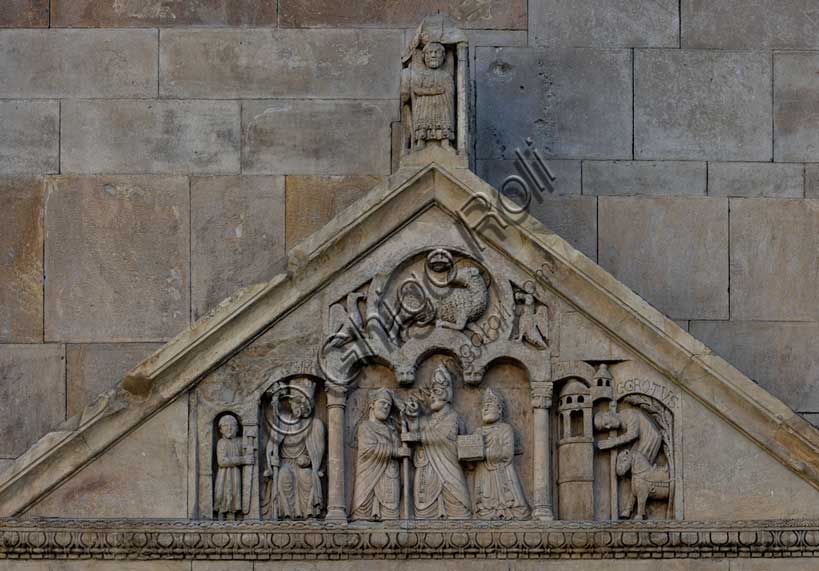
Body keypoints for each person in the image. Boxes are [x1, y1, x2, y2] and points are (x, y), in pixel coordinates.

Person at [408, 364, 471, 519]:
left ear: (447, 393)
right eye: (430, 392)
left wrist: (418, 437)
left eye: (436, 391)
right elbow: (415, 428)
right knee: (424, 514)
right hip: (428, 471)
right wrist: (413, 415)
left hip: (449, 469)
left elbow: (441, 436)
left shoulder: (453, 418)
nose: (432, 396)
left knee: (461, 510)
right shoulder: (427, 420)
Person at [262, 379, 326, 520]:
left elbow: (318, 455)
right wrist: (273, 456)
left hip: (303, 464)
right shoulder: (284, 420)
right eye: (295, 403)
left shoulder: (314, 425)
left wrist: (308, 460)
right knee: (284, 477)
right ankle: (286, 514)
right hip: (285, 463)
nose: (298, 407)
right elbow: (273, 442)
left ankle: (309, 514)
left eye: (302, 404)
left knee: (308, 477)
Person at [351, 388, 410, 520]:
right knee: (362, 516)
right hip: (369, 476)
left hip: (389, 476)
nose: (386, 407)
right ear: (372, 404)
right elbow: (368, 450)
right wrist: (396, 451)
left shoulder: (392, 430)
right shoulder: (365, 427)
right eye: (383, 402)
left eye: (389, 405)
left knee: (391, 517)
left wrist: (403, 418)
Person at [473, 389, 530, 520]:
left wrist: (484, 452)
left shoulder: (505, 429)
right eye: (484, 406)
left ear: (499, 409)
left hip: (503, 473)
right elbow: (471, 455)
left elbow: (507, 454)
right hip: (484, 474)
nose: (485, 408)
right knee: (484, 507)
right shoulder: (478, 432)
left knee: (517, 509)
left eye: (489, 405)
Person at [401, 41, 455, 150]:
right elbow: (416, 90)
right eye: (430, 52)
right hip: (424, 106)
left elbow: (450, 93)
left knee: (444, 121)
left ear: (443, 57)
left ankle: (445, 142)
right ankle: (421, 142)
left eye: (436, 52)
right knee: (423, 122)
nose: (433, 55)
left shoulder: (446, 75)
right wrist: (434, 91)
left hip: (442, 106)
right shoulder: (421, 75)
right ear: (424, 57)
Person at [214, 415, 253, 521]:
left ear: (237, 428)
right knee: (223, 493)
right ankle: (221, 515)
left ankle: (234, 515)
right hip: (224, 475)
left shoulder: (240, 441)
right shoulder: (221, 443)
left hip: (236, 474)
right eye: (225, 426)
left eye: (232, 425)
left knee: (235, 492)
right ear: (221, 429)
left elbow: (248, 449)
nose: (229, 428)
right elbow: (221, 462)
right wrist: (243, 460)